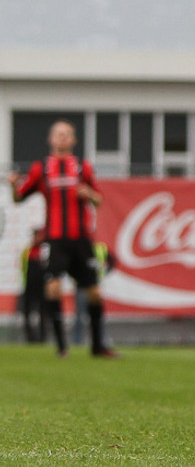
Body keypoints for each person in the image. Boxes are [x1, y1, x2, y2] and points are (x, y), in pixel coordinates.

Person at [7, 120, 118, 358]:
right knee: (53, 288)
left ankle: (97, 346)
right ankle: (61, 346)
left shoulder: (82, 168)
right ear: (51, 139)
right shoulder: (41, 169)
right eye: (58, 134)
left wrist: (88, 193)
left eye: (67, 134)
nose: (62, 137)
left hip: (81, 240)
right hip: (55, 240)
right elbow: (19, 198)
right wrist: (13, 187)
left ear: (73, 140)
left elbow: (98, 200)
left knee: (94, 292)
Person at [19, 229, 48, 343]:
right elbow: (23, 268)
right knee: (27, 312)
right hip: (29, 285)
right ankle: (30, 338)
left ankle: (42, 338)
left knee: (43, 312)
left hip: (42, 286)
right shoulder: (27, 251)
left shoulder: (44, 251)